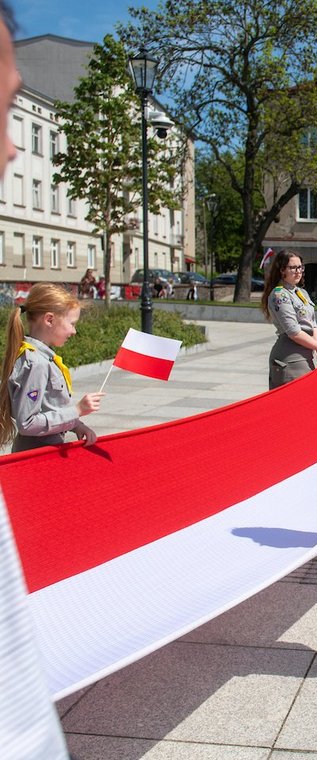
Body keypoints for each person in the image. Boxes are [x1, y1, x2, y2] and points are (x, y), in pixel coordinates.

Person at [0, 9, 74, 756]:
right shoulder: (29, 361)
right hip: (35, 457)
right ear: (47, 322)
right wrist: (70, 421)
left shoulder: (43, 357)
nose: (16, 141)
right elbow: (28, 419)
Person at [1, 283, 104, 452]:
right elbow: (27, 423)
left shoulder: (44, 358)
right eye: (72, 323)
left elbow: (50, 407)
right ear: (49, 319)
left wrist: (76, 425)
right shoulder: (37, 363)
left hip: (45, 454)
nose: (74, 331)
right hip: (35, 459)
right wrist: (76, 410)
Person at [260, 249, 317, 389]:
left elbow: (313, 324)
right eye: (293, 267)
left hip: (306, 354)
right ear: (281, 270)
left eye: (300, 267)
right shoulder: (279, 294)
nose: (298, 271)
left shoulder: (301, 292)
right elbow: (294, 332)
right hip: (290, 358)